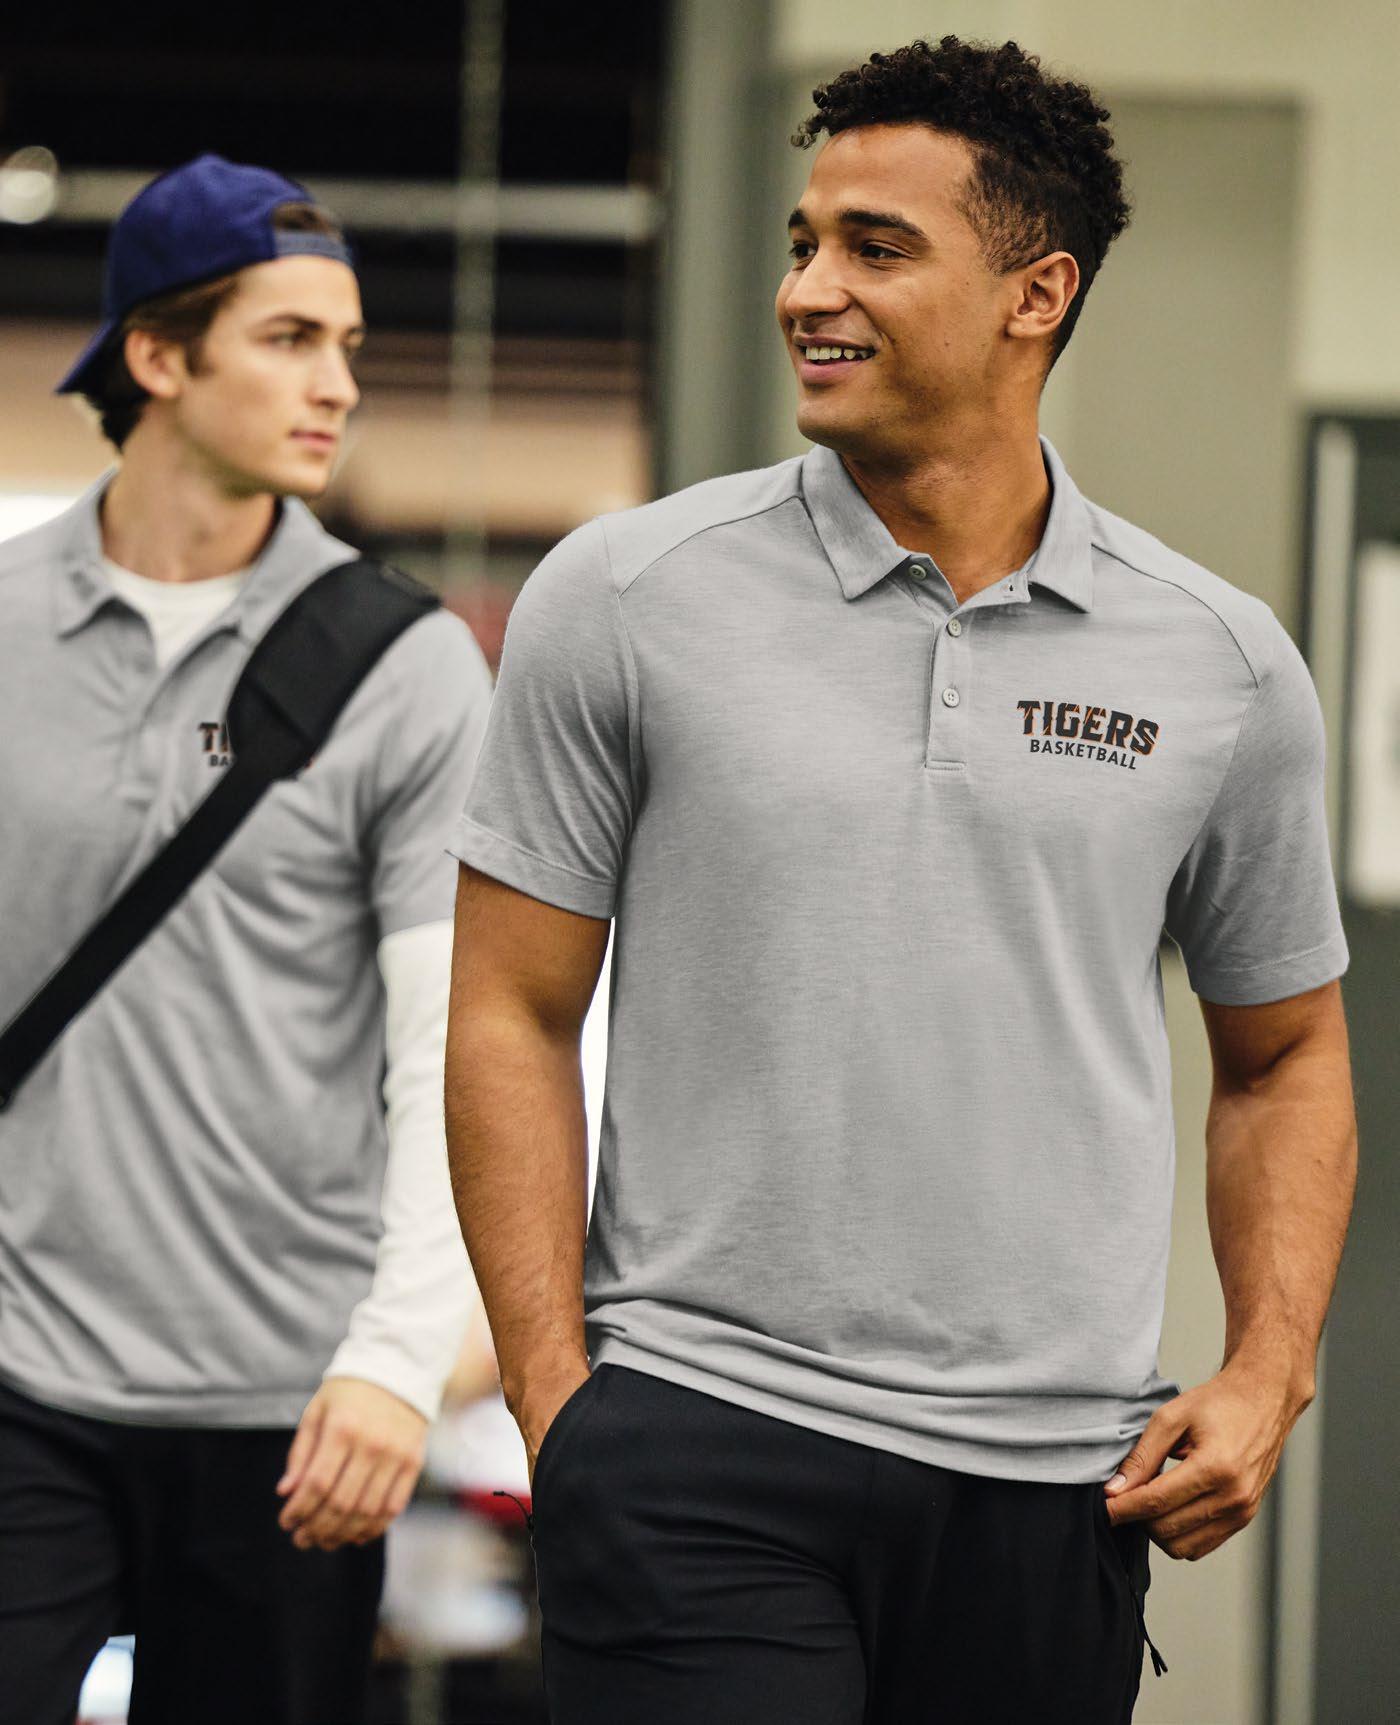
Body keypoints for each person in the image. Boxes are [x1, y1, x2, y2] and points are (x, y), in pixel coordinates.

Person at [444, 36, 1357, 1725]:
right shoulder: (627, 596)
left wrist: (1269, 1365)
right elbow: (508, 1005)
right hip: (699, 1433)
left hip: (1054, 1482)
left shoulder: (1224, 665)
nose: (809, 289)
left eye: (876, 247)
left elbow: (1286, 1053)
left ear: (1036, 293)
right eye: (804, 242)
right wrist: (561, 1398)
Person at [0, 155, 493, 1725]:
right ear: (156, 355)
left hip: (292, 1405)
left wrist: (399, 1359)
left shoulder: (407, 668)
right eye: (288, 339)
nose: (337, 383)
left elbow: (449, 1050)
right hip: (20, 1375)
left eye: (347, 345)